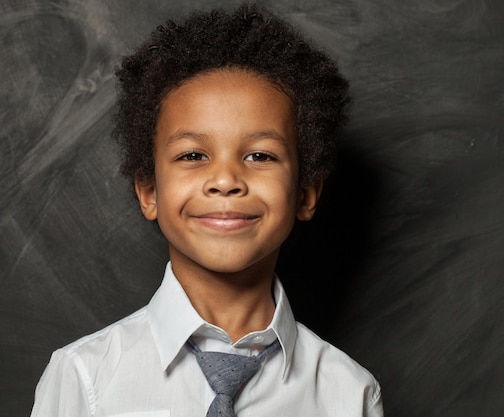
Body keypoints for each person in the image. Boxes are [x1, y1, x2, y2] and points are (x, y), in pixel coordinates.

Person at [31, 3, 383, 417]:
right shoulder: (84, 377)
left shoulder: (349, 394)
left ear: (306, 194)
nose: (226, 179)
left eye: (260, 155)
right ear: (149, 193)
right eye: (194, 154)